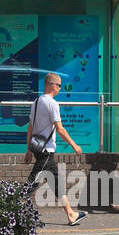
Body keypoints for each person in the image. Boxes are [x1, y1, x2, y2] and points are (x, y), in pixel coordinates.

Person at [24, 72, 87, 226]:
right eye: (59, 85)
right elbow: (60, 129)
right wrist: (74, 145)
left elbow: (30, 127)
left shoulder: (36, 102)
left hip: (39, 149)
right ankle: (12, 210)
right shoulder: (52, 103)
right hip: (46, 152)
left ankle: (71, 214)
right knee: (32, 183)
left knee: (56, 183)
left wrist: (29, 149)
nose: (60, 88)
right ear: (52, 86)